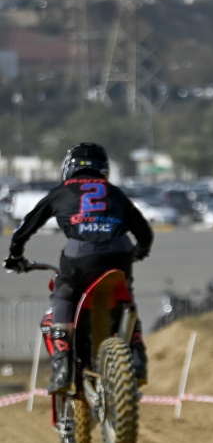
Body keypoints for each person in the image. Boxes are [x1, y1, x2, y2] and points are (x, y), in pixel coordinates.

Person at [5, 143, 153, 393]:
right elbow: (145, 233)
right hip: (119, 252)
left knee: (63, 294)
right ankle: (136, 355)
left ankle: (63, 366)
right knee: (125, 297)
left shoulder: (61, 192)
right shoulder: (115, 192)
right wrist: (138, 253)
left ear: (68, 168)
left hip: (80, 255)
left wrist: (16, 255)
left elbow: (23, 230)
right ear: (104, 169)